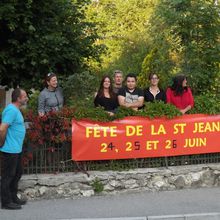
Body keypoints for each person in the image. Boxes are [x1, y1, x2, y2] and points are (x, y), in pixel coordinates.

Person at [0, 88, 28, 210]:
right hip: (10, 149)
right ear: (18, 98)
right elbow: (2, 128)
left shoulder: (15, 110)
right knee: (8, 176)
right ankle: (6, 202)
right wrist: (1, 142)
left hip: (16, 149)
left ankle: (13, 197)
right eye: (25, 96)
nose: (26, 98)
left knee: (17, 173)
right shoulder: (11, 110)